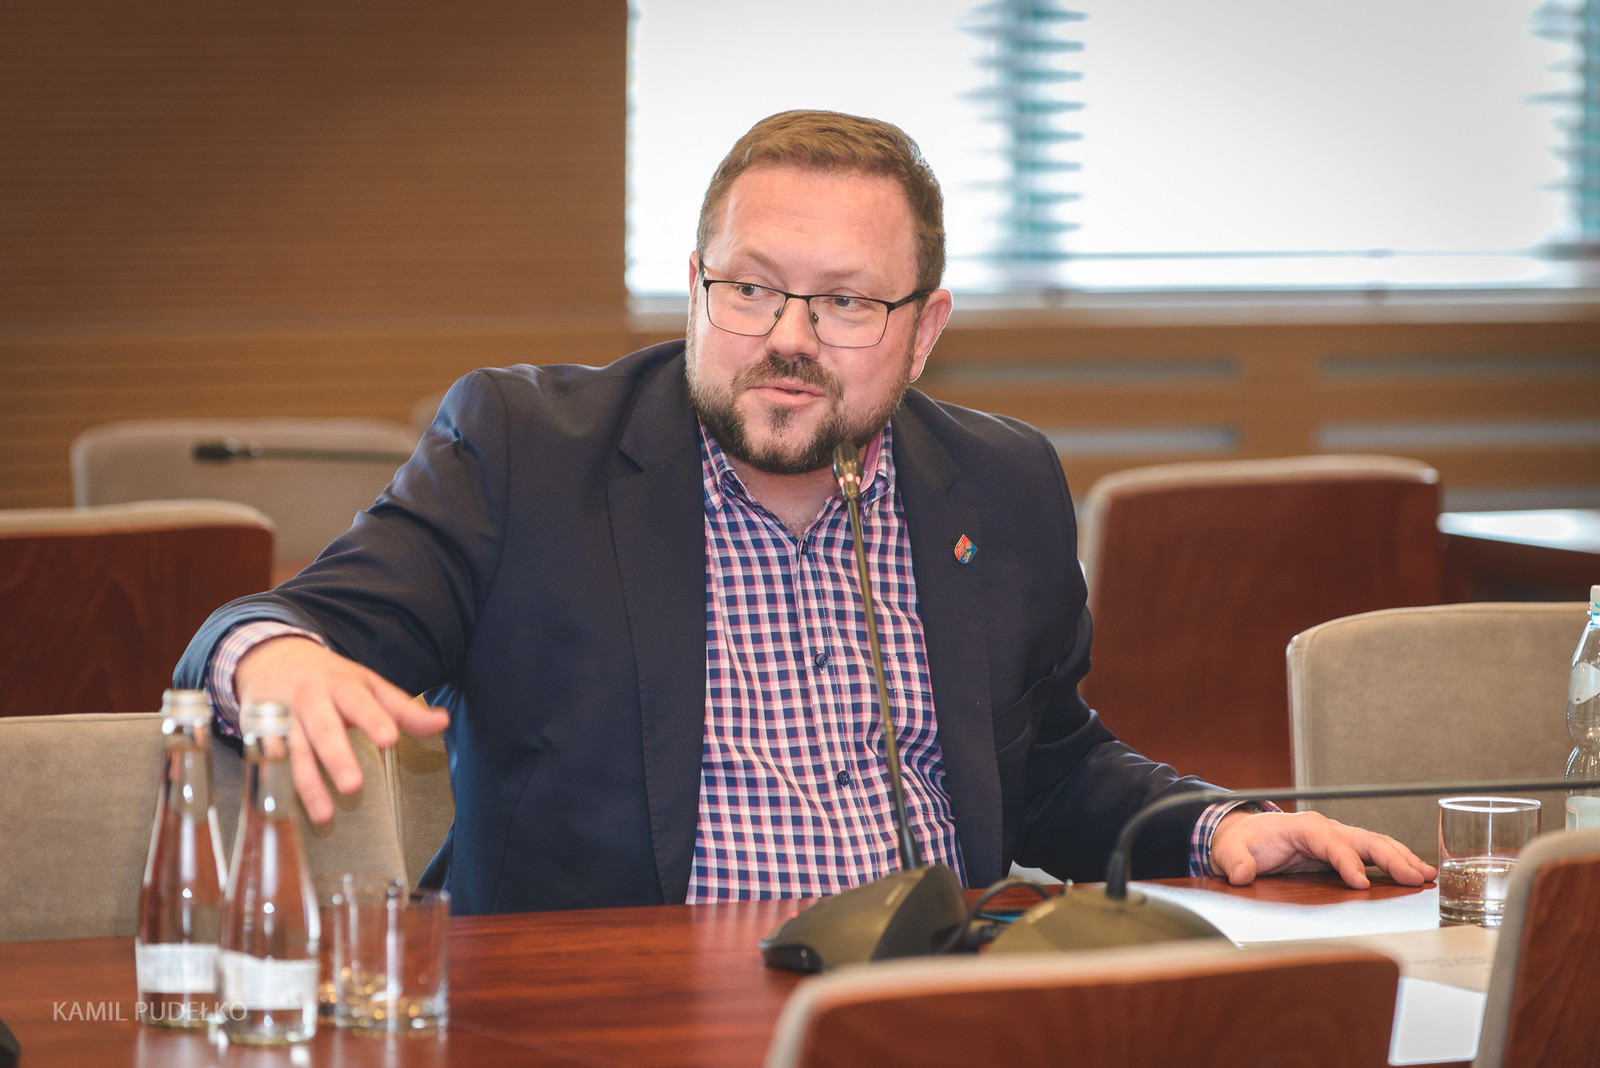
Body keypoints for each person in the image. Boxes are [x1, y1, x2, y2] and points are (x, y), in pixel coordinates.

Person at [175, 110, 1435, 915]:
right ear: (695, 287)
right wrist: (274, 655)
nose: (786, 337)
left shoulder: (1000, 482)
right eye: (751, 288)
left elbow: (1044, 762)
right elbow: (272, 628)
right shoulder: (526, 450)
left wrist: (1218, 824)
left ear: (924, 330)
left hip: (918, 1013)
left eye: (844, 303)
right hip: (622, 1017)